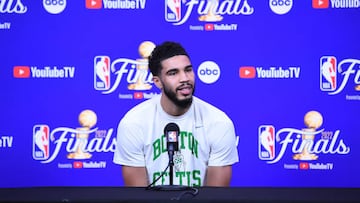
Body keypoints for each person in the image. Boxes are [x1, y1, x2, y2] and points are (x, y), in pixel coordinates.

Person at [113, 41, 239, 187]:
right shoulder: (133, 123)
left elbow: (216, 197)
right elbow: (137, 195)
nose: (184, 78)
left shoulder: (219, 122)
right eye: (173, 73)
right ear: (158, 82)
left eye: (188, 70)